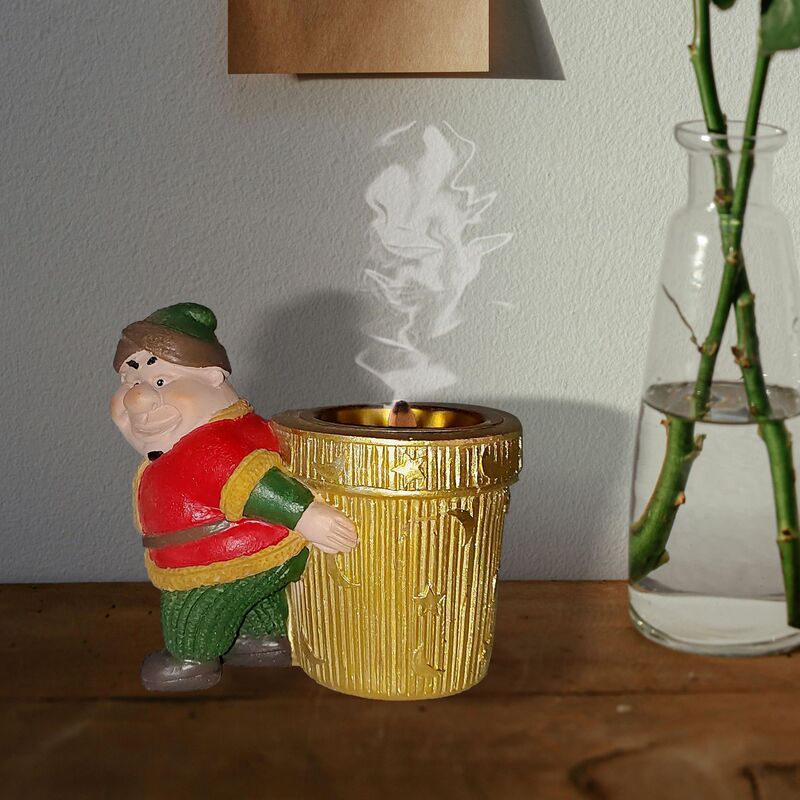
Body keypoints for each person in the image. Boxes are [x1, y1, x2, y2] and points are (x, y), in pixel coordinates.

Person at [110, 302, 357, 690]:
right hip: (259, 552)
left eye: (159, 381)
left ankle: (191, 659)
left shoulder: (207, 448)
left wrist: (307, 515)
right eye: (128, 381)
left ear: (213, 378)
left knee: (195, 612)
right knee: (252, 602)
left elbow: (252, 482)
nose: (135, 399)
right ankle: (262, 641)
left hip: (219, 563)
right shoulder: (225, 430)